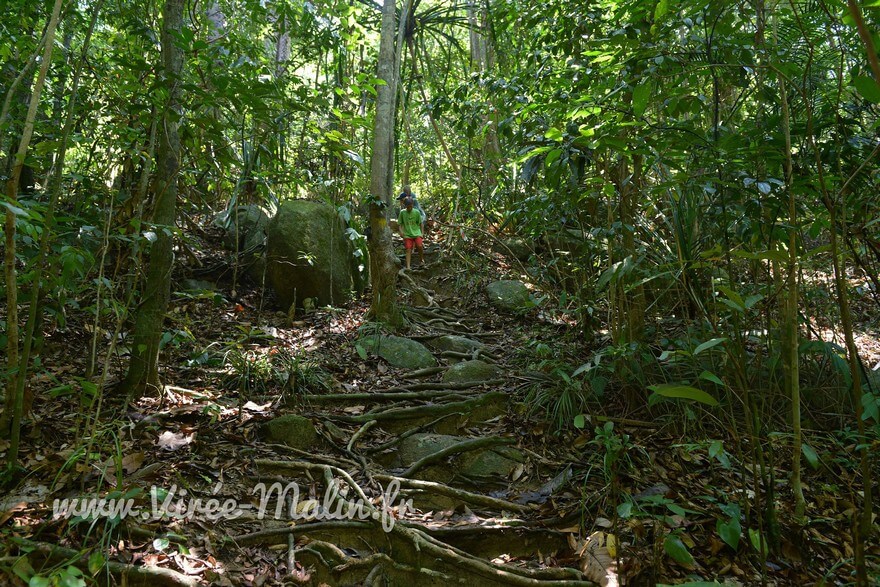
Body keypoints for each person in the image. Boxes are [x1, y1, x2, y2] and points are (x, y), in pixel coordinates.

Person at [398, 197, 425, 270]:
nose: (409, 208)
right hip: (407, 234)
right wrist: (401, 232)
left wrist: (422, 233)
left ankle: (421, 260)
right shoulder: (402, 213)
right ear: (405, 206)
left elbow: (421, 223)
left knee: (419, 245)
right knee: (408, 249)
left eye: (411, 206)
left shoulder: (417, 212)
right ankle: (408, 267)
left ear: (412, 205)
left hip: (417, 233)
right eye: (408, 207)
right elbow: (400, 224)